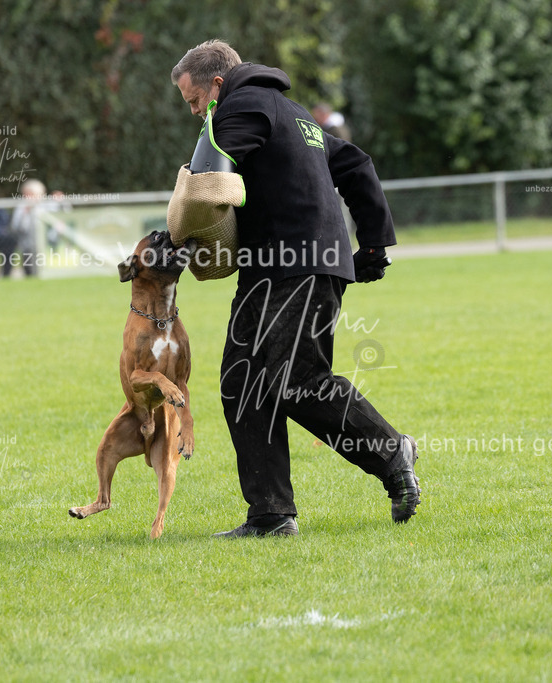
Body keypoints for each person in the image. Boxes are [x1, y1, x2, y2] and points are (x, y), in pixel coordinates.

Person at [170, 39, 420, 538]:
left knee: (294, 379)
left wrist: (169, 238)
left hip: (297, 264)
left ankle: (392, 450)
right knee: (243, 381)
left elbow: (203, 181)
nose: (195, 112)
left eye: (194, 100)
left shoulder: (240, 105)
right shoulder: (293, 113)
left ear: (217, 84)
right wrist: (370, 245)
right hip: (277, 266)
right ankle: (270, 514)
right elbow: (356, 164)